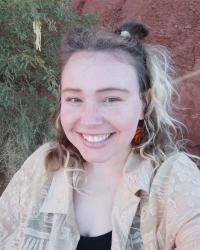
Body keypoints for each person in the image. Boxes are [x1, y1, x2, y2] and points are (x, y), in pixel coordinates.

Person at [0, 20, 200, 250]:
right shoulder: (43, 166)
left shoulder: (173, 179)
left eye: (111, 99)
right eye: (75, 99)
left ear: (144, 103)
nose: (89, 120)